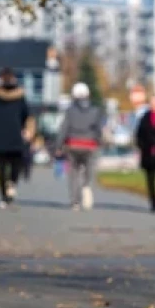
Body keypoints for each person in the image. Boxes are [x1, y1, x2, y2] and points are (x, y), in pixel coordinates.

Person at [0, 67, 30, 209]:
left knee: (1, 167)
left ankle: (3, 197)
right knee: (16, 164)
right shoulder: (20, 95)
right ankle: (12, 183)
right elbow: (25, 114)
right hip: (15, 135)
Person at [56, 82, 105, 211]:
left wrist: (58, 145)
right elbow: (98, 129)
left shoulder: (70, 111)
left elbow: (64, 128)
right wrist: (99, 140)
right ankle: (87, 186)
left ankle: (75, 201)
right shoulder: (95, 110)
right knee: (89, 169)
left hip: (73, 144)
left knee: (73, 173)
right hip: (90, 144)